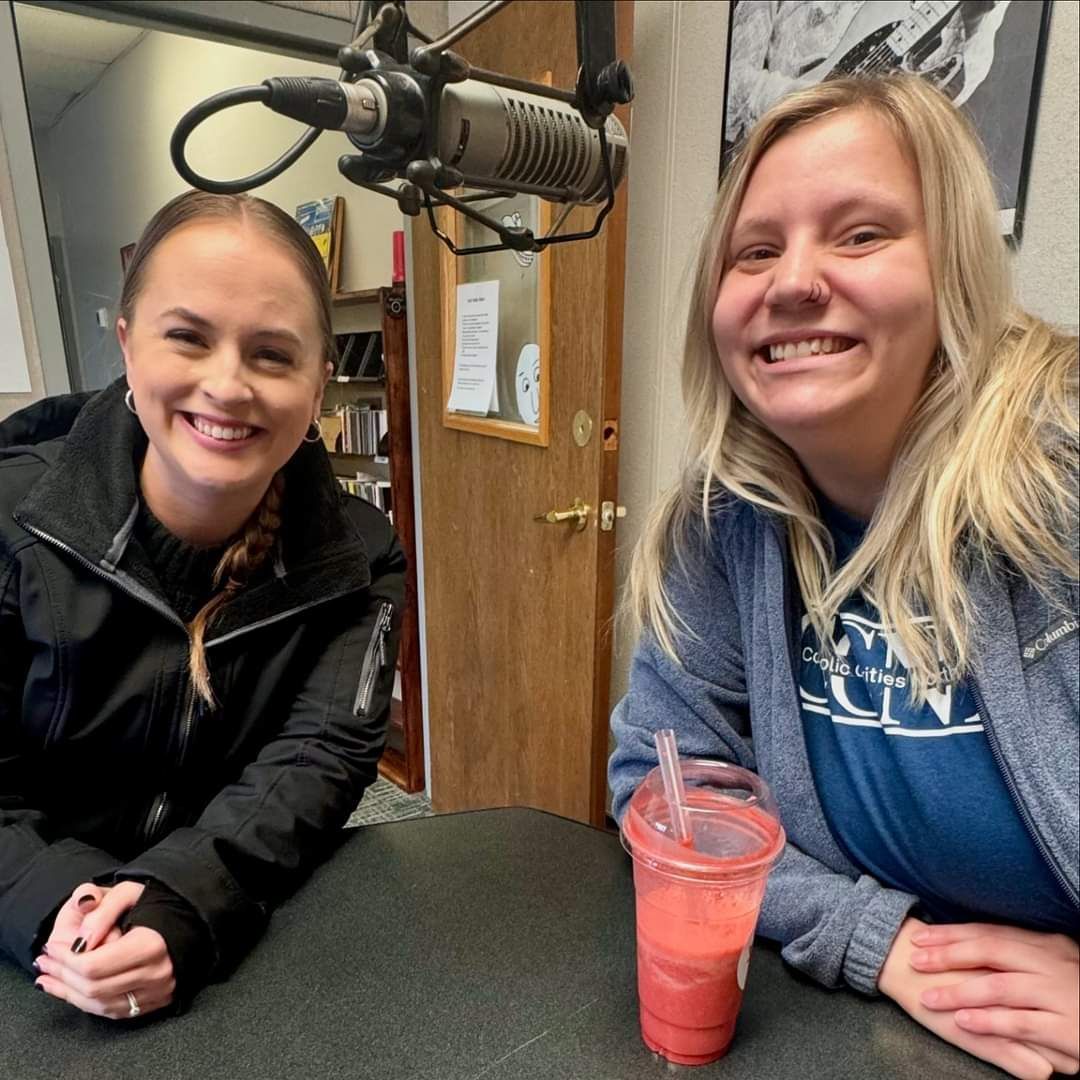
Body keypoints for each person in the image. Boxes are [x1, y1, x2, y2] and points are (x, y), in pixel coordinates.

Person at [609, 74, 1078, 1080]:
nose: (793, 282)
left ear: (952, 261)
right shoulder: (720, 525)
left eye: (860, 235)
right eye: (756, 250)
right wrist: (884, 942)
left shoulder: (1063, 476)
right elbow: (661, 790)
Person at [0, 190, 405, 1020]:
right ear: (126, 342)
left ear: (321, 380)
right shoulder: (12, 521)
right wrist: (64, 904)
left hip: (230, 934)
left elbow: (319, 757)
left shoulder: (362, 555)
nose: (227, 386)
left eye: (272, 354)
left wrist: (181, 897)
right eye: (187, 337)